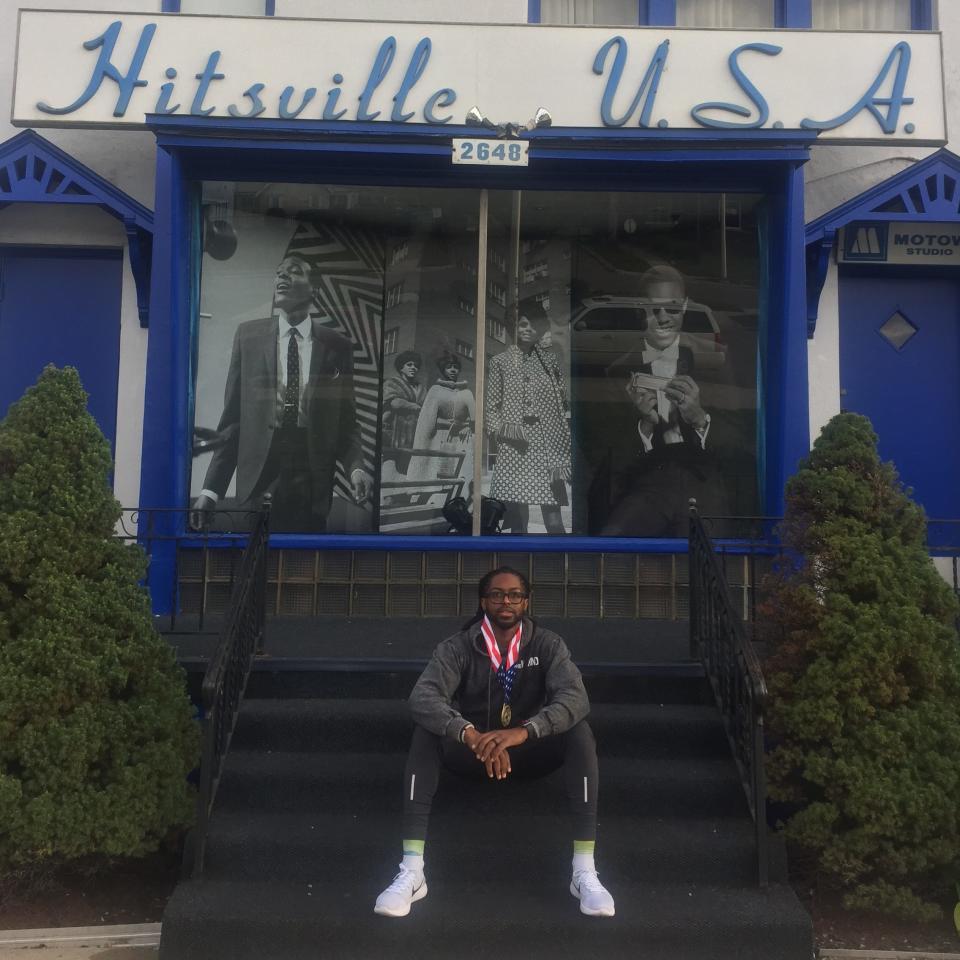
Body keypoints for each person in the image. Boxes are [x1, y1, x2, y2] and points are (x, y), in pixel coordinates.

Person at [373, 566, 615, 919]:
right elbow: (423, 698)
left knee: (579, 729)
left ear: (526, 601)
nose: (507, 601)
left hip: (529, 752)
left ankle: (584, 871)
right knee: (426, 731)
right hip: (472, 752)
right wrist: (469, 733)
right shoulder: (457, 646)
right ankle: (412, 871)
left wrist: (523, 732)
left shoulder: (547, 644)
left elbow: (575, 698)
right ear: (483, 601)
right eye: (497, 594)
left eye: (515, 594)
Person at [191, 251, 372, 532]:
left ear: (315, 289)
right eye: (279, 272)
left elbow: (346, 423)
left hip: (312, 480)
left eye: (295, 271)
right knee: (255, 565)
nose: (282, 276)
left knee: (303, 568)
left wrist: (356, 468)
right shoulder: (248, 337)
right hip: (258, 478)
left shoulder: (337, 346)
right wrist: (210, 491)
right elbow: (232, 421)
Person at [597, 264, 726, 537]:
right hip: (645, 485)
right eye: (654, 309)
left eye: (673, 308)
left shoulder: (713, 360)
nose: (663, 317)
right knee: (612, 547)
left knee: (711, 561)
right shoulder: (616, 371)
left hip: (702, 482)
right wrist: (643, 429)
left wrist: (701, 420)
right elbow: (602, 456)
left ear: (686, 305)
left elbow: (744, 442)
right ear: (640, 310)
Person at [485, 302, 571, 534]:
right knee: (517, 520)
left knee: (554, 520)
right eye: (523, 324)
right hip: (515, 447)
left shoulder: (549, 361)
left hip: (547, 445)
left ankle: (558, 562)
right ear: (513, 326)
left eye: (534, 325)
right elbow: (491, 408)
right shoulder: (499, 362)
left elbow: (562, 400)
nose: (528, 329)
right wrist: (504, 433)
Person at [406, 351, 475, 499]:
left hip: (459, 439)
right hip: (437, 438)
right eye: (449, 367)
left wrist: (467, 426)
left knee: (457, 476)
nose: (453, 370)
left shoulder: (465, 392)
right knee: (435, 474)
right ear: (443, 369)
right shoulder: (436, 390)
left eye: (456, 367)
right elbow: (426, 421)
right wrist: (423, 446)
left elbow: (473, 417)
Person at [381, 350, 425, 473]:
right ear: (401, 367)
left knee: (409, 469)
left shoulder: (421, 388)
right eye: (409, 364)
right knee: (391, 469)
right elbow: (395, 403)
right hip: (394, 433)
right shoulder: (392, 383)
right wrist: (417, 407)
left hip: (415, 434)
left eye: (416, 365)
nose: (413, 368)